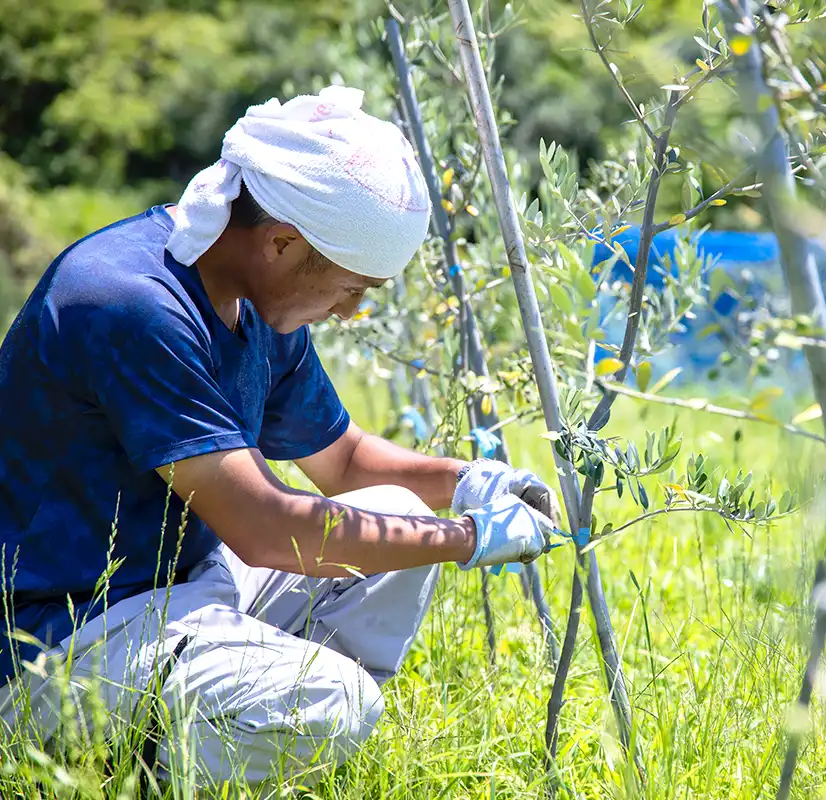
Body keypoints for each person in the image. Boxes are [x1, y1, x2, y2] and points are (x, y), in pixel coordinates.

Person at [0, 85, 560, 789]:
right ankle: (133, 770)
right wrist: (469, 537)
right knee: (338, 698)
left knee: (402, 515)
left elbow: (346, 459)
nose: (351, 311)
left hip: (182, 587)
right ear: (282, 242)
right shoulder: (128, 303)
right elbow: (266, 531)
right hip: (58, 639)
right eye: (353, 287)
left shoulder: (247, 295)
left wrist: (469, 482)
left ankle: (259, 731)